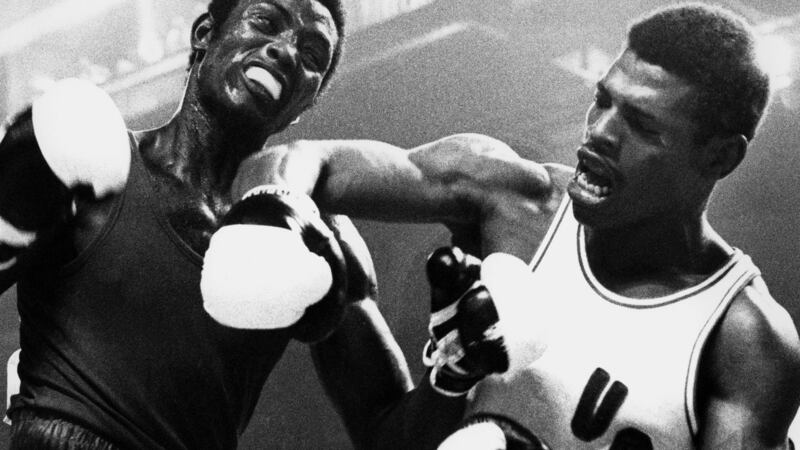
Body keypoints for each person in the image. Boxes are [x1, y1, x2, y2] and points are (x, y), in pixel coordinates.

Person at [243, 3, 800, 448]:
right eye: (603, 100)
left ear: (719, 156)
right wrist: (272, 210)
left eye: (642, 125)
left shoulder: (745, 342)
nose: (601, 132)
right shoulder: (516, 198)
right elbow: (302, 160)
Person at [0, 0, 469, 448]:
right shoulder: (86, 158)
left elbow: (388, 431)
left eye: (311, 55)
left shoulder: (310, 233)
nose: (285, 51)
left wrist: (455, 369)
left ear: (304, 104)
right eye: (265, 22)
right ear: (205, 35)